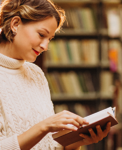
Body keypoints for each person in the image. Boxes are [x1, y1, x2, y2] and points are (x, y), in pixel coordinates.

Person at [0, 0, 111, 149]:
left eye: (49, 39)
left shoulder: (36, 74)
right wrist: (44, 126)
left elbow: (48, 145)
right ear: (15, 24)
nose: (45, 47)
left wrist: (79, 141)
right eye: (41, 35)